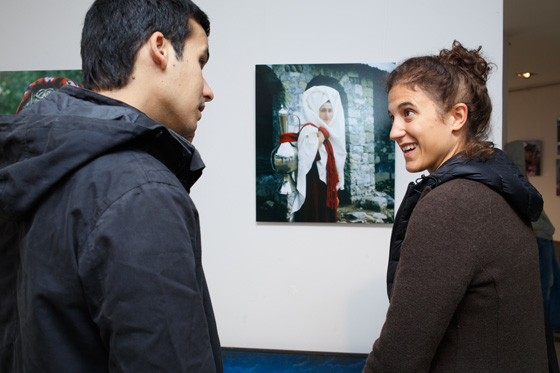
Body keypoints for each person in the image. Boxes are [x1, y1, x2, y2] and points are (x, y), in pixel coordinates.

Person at [0, 0, 222, 372]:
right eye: (201, 61)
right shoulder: (141, 193)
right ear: (160, 48)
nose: (208, 90)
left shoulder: (28, 167)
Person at [363, 41, 548, 372]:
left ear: (456, 117)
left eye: (408, 112)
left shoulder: (452, 204)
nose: (394, 131)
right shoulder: (492, 188)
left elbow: (400, 353)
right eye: (392, 116)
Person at [292, 85, 346, 222]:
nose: (327, 115)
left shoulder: (330, 131)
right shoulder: (309, 130)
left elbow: (334, 164)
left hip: (327, 188)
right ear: (315, 111)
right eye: (323, 110)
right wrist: (321, 137)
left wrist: (335, 193)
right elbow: (308, 158)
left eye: (330, 110)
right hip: (313, 186)